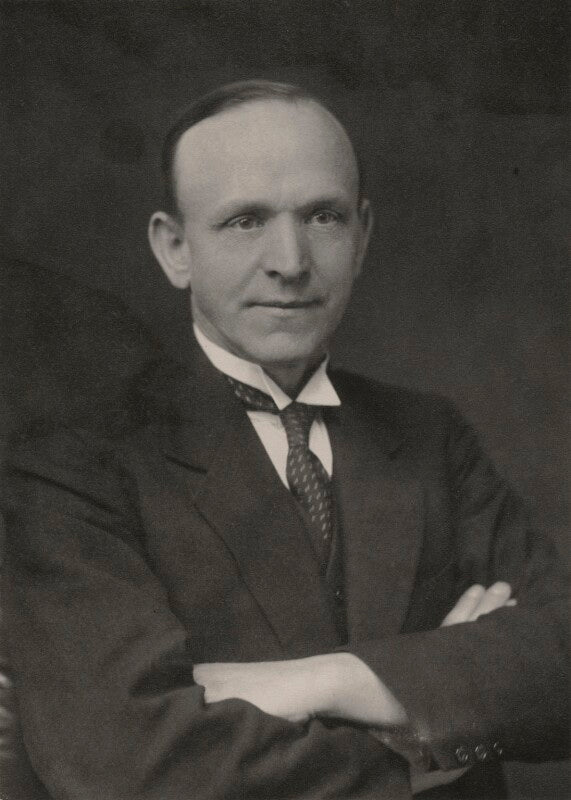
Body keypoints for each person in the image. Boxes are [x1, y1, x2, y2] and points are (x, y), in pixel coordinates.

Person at [3, 80, 568, 800]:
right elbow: (133, 767)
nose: (291, 261)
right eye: (245, 221)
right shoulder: (69, 466)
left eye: (323, 216)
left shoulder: (430, 437)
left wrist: (326, 679)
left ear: (362, 236)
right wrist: (428, 736)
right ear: (174, 248)